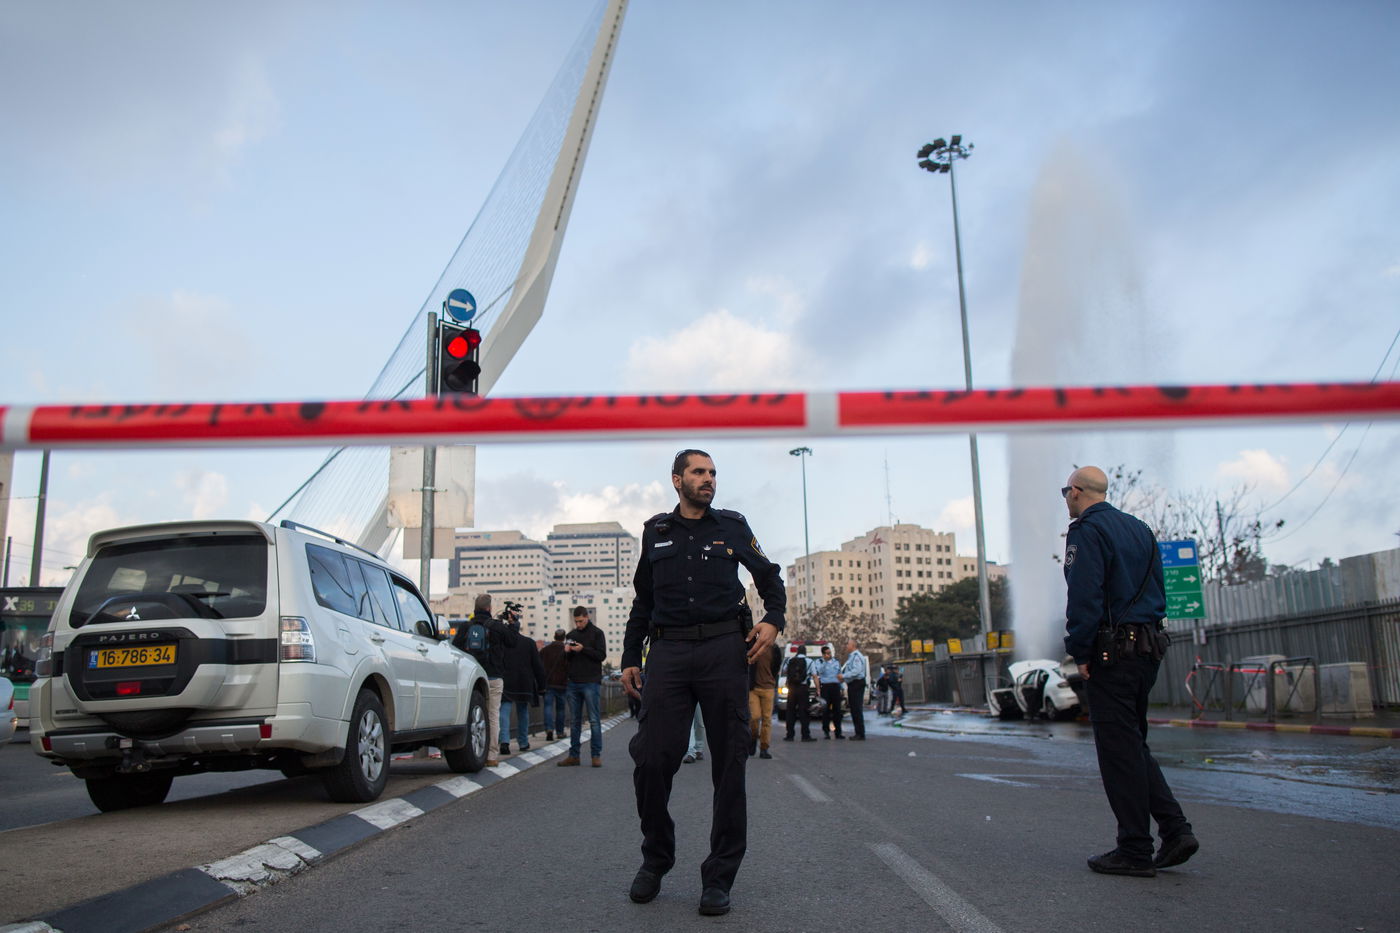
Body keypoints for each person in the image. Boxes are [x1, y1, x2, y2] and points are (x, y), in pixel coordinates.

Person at [621, 449, 786, 917]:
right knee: (652, 760)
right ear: (677, 480)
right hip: (668, 653)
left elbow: (769, 577)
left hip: (724, 651)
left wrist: (773, 619)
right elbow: (643, 600)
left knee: (730, 763)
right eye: (698, 472)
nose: (708, 479)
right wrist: (630, 656)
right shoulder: (656, 531)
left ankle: (719, 877)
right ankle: (656, 857)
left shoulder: (732, 526)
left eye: (712, 472)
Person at [1062, 465, 1198, 877]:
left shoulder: (1086, 530)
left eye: (1066, 491)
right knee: (1132, 745)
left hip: (1112, 654)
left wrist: (1080, 650)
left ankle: (1135, 849)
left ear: (1077, 492)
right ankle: (1175, 830)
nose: (1066, 499)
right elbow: (1158, 590)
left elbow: (1085, 595)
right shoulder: (1141, 529)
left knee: (1119, 753)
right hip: (1148, 649)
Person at [451, 594, 520, 768]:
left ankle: (474, 752)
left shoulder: (466, 627)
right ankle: (491, 756)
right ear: (489, 608)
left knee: (472, 716)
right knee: (492, 715)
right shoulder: (497, 626)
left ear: (475, 608)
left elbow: (456, 648)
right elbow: (513, 642)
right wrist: (514, 624)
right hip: (494, 676)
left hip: (471, 678)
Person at [557, 606, 606, 768]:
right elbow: (566, 660)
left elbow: (601, 655)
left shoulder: (597, 633)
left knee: (594, 720)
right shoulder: (571, 635)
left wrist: (583, 649)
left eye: (580, 621)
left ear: (587, 617)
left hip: (591, 681)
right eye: (576, 621)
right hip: (573, 682)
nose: (578, 624)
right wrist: (567, 651)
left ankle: (595, 755)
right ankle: (574, 755)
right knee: (574, 721)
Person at [498, 602, 546, 755]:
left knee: (504, 711)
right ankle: (523, 742)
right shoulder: (529, 643)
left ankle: (504, 741)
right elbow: (537, 666)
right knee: (523, 711)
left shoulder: (502, 643)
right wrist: (542, 685)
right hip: (524, 682)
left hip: (506, 680)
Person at [748, 641, 781, 757]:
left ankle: (764, 748)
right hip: (753, 688)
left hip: (768, 688)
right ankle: (752, 739)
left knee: (767, 719)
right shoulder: (754, 648)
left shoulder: (774, 649)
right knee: (754, 717)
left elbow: (777, 665)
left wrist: (772, 679)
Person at [538, 629, 569, 741]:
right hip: (562, 684)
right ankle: (560, 732)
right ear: (564, 638)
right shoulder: (566, 650)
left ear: (554, 636)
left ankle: (549, 729)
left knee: (548, 707)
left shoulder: (545, 650)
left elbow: (539, 667)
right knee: (560, 709)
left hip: (548, 683)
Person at [811, 644, 844, 739]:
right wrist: (825, 662)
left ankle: (838, 732)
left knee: (837, 710)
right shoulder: (819, 662)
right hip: (826, 687)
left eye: (830, 653)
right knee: (825, 710)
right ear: (823, 654)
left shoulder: (836, 662)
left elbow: (839, 674)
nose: (829, 655)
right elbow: (820, 671)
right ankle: (826, 731)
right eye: (827, 653)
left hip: (835, 686)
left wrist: (841, 687)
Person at [782, 650, 815, 742]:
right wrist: (818, 689)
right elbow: (814, 675)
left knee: (790, 712)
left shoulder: (790, 660)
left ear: (797, 652)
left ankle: (789, 735)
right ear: (805, 652)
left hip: (792, 688)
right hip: (803, 688)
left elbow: (784, 670)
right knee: (804, 712)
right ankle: (805, 735)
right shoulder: (809, 661)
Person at [840, 639, 869, 740]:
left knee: (856, 709)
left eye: (848, 644)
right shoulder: (852, 656)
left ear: (853, 646)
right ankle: (858, 732)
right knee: (854, 709)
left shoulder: (856, 656)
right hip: (853, 684)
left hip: (857, 683)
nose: (846, 646)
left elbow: (856, 671)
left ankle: (860, 733)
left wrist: (844, 676)